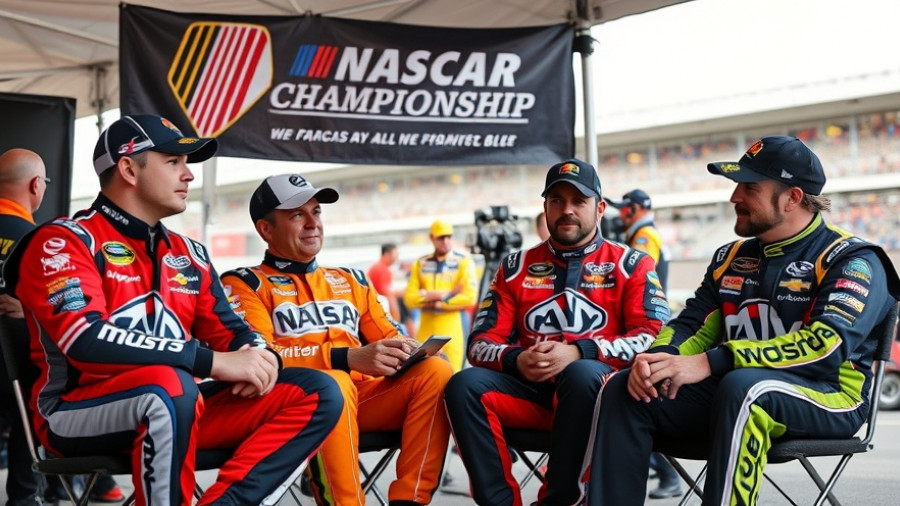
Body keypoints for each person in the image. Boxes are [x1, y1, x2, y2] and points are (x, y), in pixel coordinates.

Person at [1, 115, 343, 506]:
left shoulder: (189, 253)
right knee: (168, 388)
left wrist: (261, 359)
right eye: (173, 162)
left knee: (319, 390)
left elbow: (232, 330)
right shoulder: (62, 241)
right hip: (74, 412)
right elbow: (85, 340)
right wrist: (212, 362)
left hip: (179, 403)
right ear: (129, 169)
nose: (189, 175)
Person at [589, 135, 900, 506]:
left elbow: (825, 348)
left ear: (792, 198)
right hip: (735, 390)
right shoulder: (730, 258)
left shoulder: (852, 260)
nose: (734, 196)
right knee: (625, 388)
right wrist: (658, 359)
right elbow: (691, 324)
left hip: (832, 395)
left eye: (749, 187)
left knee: (745, 387)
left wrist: (711, 361)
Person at [444, 158, 669, 506]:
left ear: (600, 208)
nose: (567, 210)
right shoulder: (514, 266)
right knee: (462, 385)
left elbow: (655, 337)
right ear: (545, 207)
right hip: (533, 396)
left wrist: (580, 352)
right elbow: (480, 344)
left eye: (579, 201)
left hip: (604, 402)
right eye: (557, 200)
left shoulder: (632, 263)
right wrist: (517, 359)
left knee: (581, 373)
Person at [220, 174, 452, 506]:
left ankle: (410, 500)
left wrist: (411, 350)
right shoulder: (244, 283)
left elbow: (389, 335)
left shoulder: (351, 280)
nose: (313, 223)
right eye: (297, 215)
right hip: (294, 405)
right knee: (334, 383)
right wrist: (344, 358)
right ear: (266, 230)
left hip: (363, 400)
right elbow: (259, 356)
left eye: (316, 211)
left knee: (436, 370)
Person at [609, 188, 680, 499]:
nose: (620, 215)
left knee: (639, 397)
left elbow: (635, 277)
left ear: (634, 209)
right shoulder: (643, 232)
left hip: (647, 323)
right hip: (650, 320)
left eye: (623, 209)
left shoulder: (643, 236)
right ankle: (658, 469)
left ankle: (668, 473)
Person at [0, 148, 51, 506]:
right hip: (18, 378)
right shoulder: (40, 242)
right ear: (36, 185)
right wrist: (30, 310)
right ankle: (24, 496)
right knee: (36, 397)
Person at [403, 220, 477, 371]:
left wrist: (434, 298)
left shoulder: (464, 262)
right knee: (423, 373)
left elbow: (470, 298)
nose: (446, 241)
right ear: (432, 238)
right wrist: (449, 294)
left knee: (453, 373)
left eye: (449, 237)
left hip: (453, 329)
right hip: (425, 329)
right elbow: (410, 299)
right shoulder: (420, 263)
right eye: (441, 237)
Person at [368, 243, 401, 322]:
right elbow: (388, 295)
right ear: (387, 254)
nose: (397, 258)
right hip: (380, 312)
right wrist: (396, 319)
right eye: (395, 255)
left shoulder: (376, 267)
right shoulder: (382, 270)